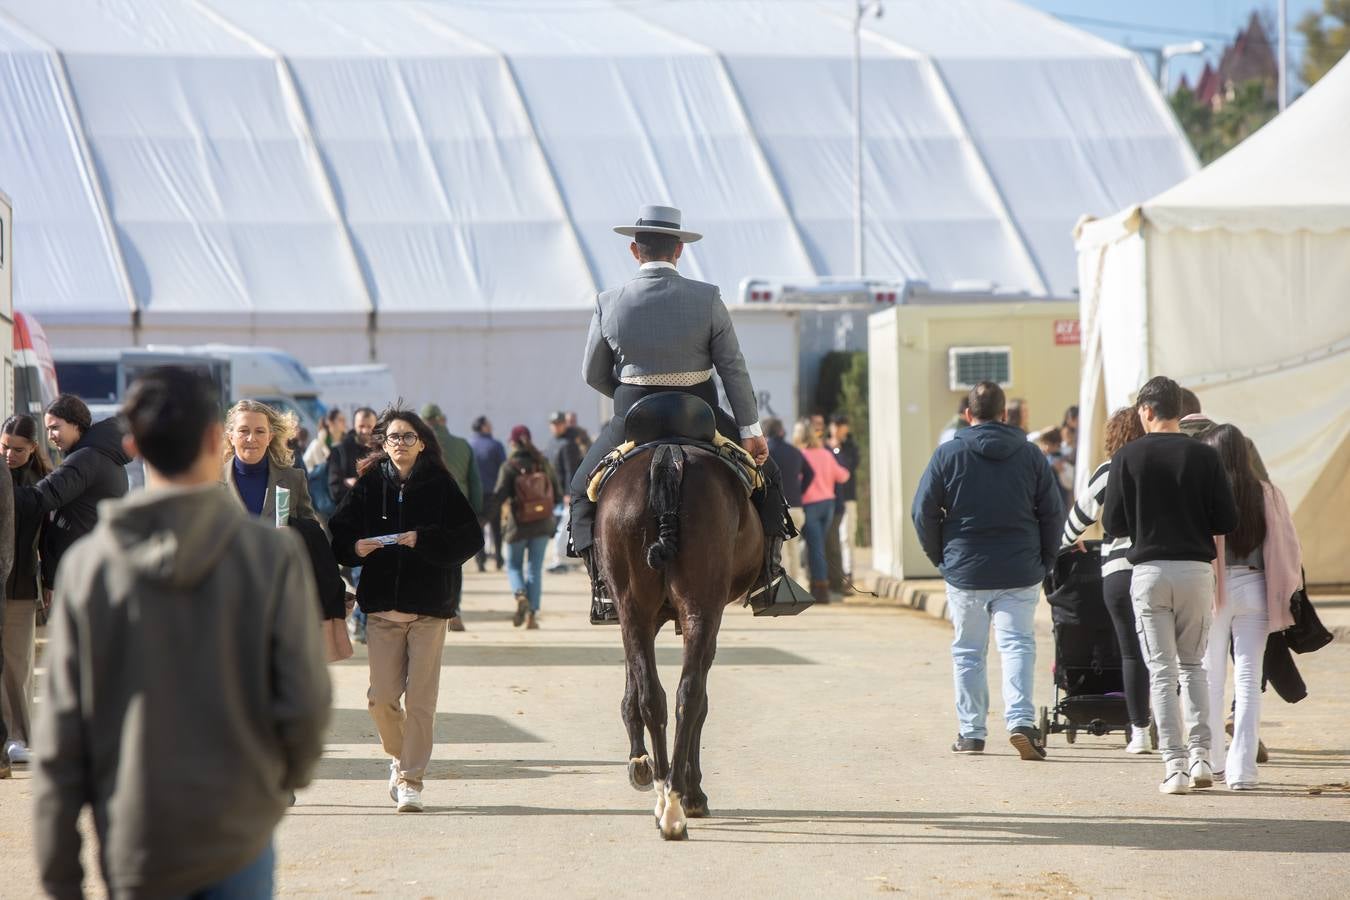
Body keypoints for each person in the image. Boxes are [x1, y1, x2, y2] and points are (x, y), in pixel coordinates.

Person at [34, 367, 331, 898]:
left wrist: (61, 876)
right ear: (218, 440)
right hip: (238, 828)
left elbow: (60, 739)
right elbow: (305, 703)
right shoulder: (271, 555)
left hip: (135, 834)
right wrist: (276, 782)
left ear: (132, 444)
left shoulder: (89, 566)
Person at [570, 204, 789, 624]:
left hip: (633, 414)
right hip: (700, 414)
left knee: (581, 490)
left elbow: (591, 373)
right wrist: (750, 430)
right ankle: (768, 579)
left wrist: (627, 394)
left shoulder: (608, 301)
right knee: (769, 480)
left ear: (635, 251)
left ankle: (602, 587)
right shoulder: (707, 297)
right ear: (679, 251)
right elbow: (733, 369)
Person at [328, 409, 482, 812]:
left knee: (420, 700)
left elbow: (470, 538)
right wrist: (354, 549)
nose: (400, 444)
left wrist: (424, 539)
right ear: (383, 443)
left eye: (408, 437)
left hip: (430, 608)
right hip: (381, 610)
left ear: (422, 442)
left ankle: (411, 778)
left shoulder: (441, 484)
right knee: (380, 699)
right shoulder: (368, 484)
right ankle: (398, 756)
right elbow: (339, 534)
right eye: (393, 437)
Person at [1102, 376, 1239, 795]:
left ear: (1146, 410)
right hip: (1197, 570)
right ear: (1178, 409)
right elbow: (1226, 520)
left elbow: (1112, 524)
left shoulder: (1128, 456)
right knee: (1193, 666)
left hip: (1150, 573)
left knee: (1161, 671)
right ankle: (1202, 756)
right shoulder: (1204, 456)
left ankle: (1174, 765)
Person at [911, 381, 1062, 761]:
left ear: (967, 414)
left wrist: (941, 558)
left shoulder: (948, 454)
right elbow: (1053, 513)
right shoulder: (1030, 455)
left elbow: (922, 512)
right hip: (1020, 568)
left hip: (965, 569)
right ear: (1005, 414)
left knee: (968, 651)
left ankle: (971, 733)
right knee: (1017, 645)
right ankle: (1021, 721)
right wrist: (1045, 559)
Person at [1200, 424, 1301, 791]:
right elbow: (1289, 547)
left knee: (1210, 676)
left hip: (1214, 590)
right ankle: (1243, 770)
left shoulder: (1205, 494)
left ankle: (1210, 760)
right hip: (1257, 587)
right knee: (1246, 679)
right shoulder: (1268, 493)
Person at [1061, 407, 1150, 753]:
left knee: (1131, 654)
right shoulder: (1157, 467)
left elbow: (1073, 524)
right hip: (1157, 566)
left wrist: (1070, 543)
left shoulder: (1108, 471)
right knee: (1164, 654)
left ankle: (1139, 731)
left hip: (1117, 573)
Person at [14, 395, 130, 603]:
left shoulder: (86, 458)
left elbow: (41, 498)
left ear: (76, 424)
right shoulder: (101, 455)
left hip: (84, 574)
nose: (50, 436)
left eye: (55, 427)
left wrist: (5, 493)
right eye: (47, 429)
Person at [1, 416, 49, 768]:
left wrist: (48, 581)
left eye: (18, 449)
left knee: (18, 665)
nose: (9, 455)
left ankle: (19, 736)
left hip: (20, 582)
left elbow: (47, 540)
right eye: (4, 447)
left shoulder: (44, 482)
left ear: (33, 448)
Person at [422, 403, 484, 633]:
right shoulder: (462, 445)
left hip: (427, 511)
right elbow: (475, 482)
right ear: (443, 420)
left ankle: (431, 608)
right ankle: (453, 609)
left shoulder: (421, 446)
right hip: (458, 512)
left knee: (427, 559)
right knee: (454, 563)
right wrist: (477, 511)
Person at [494, 426, 564, 630]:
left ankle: (520, 593)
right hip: (542, 524)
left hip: (518, 524)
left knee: (514, 565)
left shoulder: (509, 466)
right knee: (534, 569)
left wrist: (482, 517)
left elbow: (499, 496)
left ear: (513, 442)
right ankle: (532, 615)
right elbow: (558, 493)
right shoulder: (542, 463)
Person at [222, 399, 317, 524]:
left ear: (269, 438)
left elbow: (312, 533)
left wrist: (292, 530)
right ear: (231, 437)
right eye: (243, 431)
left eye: (260, 431)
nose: (251, 438)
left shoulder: (293, 479)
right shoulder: (210, 481)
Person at [794, 418, 850, 604]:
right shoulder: (826, 454)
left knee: (815, 548)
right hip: (829, 504)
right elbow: (843, 476)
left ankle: (820, 589)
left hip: (810, 504)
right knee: (821, 546)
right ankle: (820, 585)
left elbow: (798, 480)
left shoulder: (801, 455)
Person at [765, 417, 813, 587]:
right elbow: (810, 473)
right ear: (781, 431)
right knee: (793, 549)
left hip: (779, 507)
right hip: (798, 507)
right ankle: (795, 585)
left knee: (781, 551)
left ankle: (783, 588)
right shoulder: (795, 451)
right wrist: (800, 491)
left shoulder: (767, 452)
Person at [545, 411, 584, 574]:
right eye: (554, 424)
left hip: (565, 493)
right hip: (553, 492)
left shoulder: (569, 443)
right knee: (558, 525)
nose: (556, 426)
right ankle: (564, 556)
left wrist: (569, 492)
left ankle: (559, 558)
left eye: (559, 423)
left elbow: (571, 470)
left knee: (563, 525)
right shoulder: (552, 442)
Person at [825, 413, 859, 595]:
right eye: (835, 426)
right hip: (829, 497)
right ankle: (833, 576)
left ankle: (848, 574)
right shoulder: (824, 445)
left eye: (841, 426)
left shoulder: (850, 446)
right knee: (831, 540)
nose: (838, 430)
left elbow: (849, 468)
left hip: (847, 497)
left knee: (847, 537)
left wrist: (838, 449)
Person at [470, 416, 507, 572]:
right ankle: (498, 559)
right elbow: (504, 468)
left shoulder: (470, 445)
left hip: (476, 494)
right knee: (496, 527)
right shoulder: (496, 445)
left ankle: (480, 561)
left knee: (478, 527)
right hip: (493, 493)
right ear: (483, 427)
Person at [328, 406, 377, 507]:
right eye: (361, 426)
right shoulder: (339, 451)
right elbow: (335, 490)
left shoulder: (382, 451)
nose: (365, 431)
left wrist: (354, 484)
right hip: (347, 514)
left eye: (369, 426)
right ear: (354, 425)